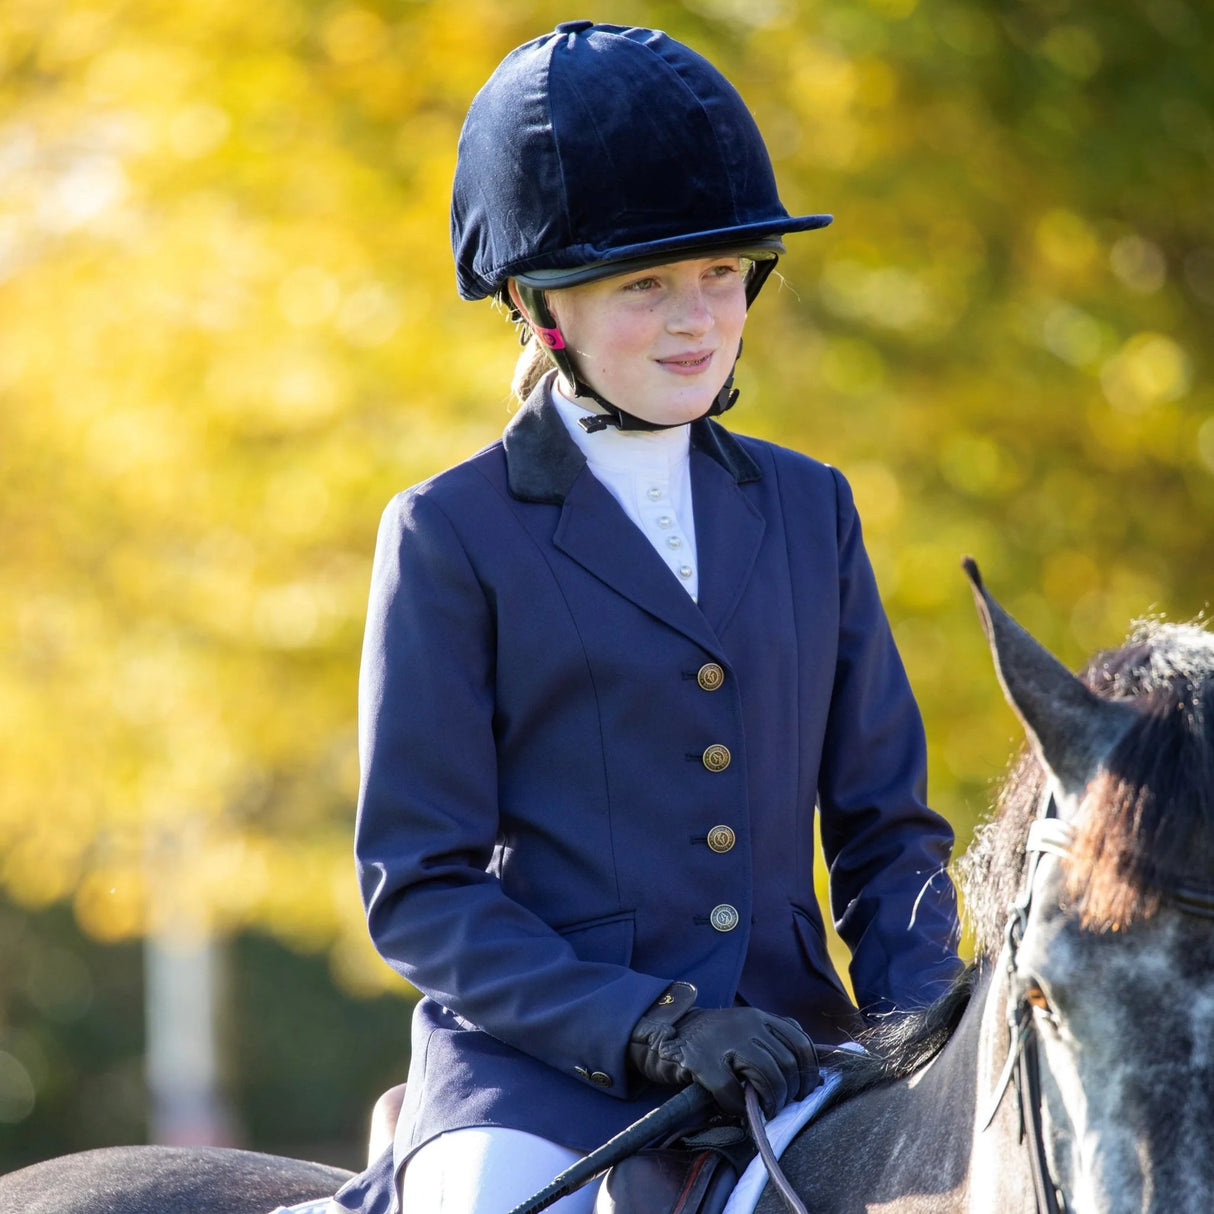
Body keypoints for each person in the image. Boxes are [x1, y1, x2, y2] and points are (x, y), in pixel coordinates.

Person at [331, 20, 963, 1214]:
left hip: (799, 1054)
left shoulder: (808, 506)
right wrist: (650, 1028)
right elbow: (420, 886)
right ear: (535, 306)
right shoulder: (450, 531)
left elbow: (886, 833)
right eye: (645, 285)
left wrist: (928, 1030)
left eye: (722, 276)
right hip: (540, 1077)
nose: (696, 320)